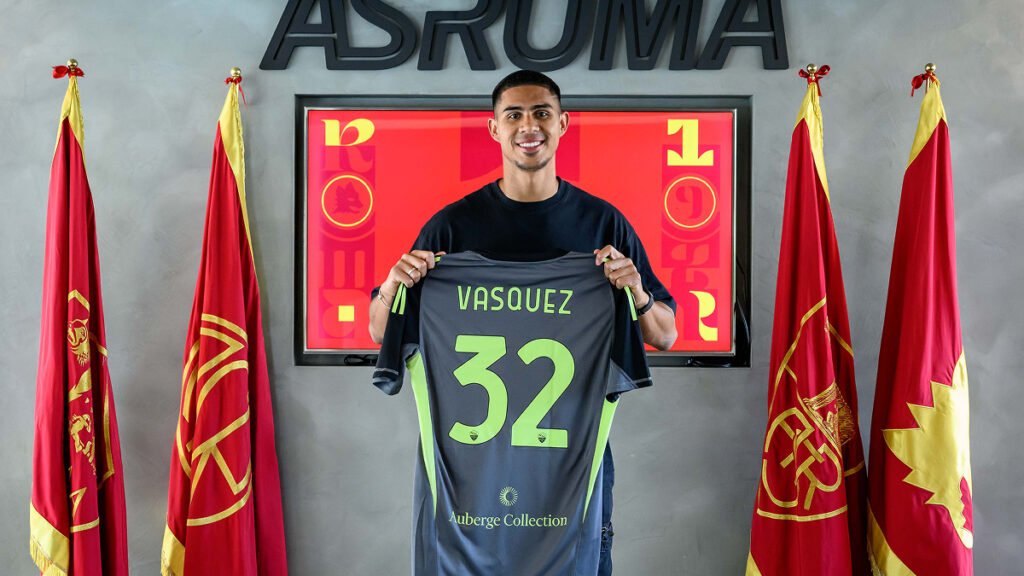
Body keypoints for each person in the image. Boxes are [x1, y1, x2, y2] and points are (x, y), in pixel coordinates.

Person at [369, 69, 677, 575]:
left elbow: (664, 334)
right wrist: (391, 286)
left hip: (570, 451)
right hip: (470, 459)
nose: (527, 125)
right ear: (494, 128)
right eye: (513, 114)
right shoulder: (453, 224)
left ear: (563, 124)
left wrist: (638, 293)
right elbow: (382, 331)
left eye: (541, 113)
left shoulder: (603, 223)